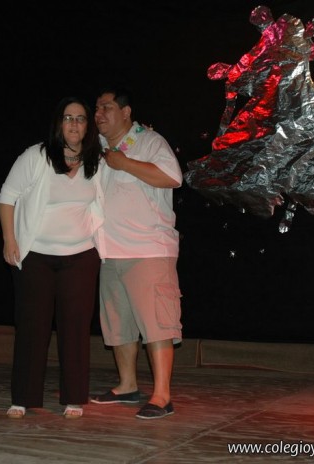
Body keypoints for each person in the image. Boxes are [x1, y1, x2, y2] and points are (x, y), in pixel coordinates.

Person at [0, 96, 103, 419]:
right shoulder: (36, 156)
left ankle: (74, 398)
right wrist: (9, 239)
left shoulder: (97, 160)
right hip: (36, 256)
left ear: (88, 126)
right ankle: (23, 398)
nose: (74, 124)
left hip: (81, 256)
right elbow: (7, 196)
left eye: (80, 118)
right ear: (59, 123)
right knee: (33, 327)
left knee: (75, 328)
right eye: (68, 117)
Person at [89, 87, 183, 420]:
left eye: (106, 107)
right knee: (120, 325)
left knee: (157, 324)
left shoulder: (150, 142)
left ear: (126, 112)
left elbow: (173, 177)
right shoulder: (98, 148)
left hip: (148, 251)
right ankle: (127, 385)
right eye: (97, 108)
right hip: (109, 252)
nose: (99, 114)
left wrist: (125, 164)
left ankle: (162, 396)